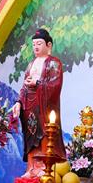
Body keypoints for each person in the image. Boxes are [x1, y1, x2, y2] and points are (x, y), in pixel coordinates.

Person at [13, 28, 64, 171]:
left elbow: (55, 85)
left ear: (49, 45)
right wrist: (18, 102)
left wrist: (38, 83)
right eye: (34, 44)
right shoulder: (31, 64)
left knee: (44, 134)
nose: (35, 47)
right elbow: (25, 85)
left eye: (39, 44)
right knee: (30, 136)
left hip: (44, 106)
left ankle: (44, 169)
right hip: (28, 105)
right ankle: (31, 168)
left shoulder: (54, 63)